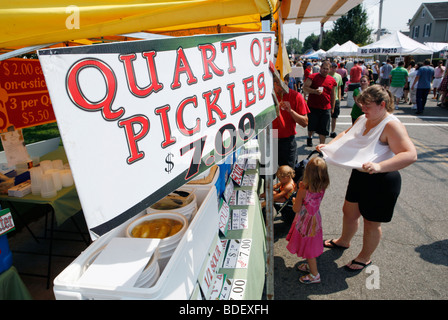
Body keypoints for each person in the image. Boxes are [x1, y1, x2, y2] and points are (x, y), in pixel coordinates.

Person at [317, 85, 417, 271]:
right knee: (349, 212)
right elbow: (346, 135)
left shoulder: (391, 125)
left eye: (367, 105)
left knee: (371, 222)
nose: (363, 108)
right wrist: (328, 146)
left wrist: (379, 166)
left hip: (382, 179)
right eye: (361, 104)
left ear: (383, 104)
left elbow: (410, 155)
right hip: (361, 174)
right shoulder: (364, 118)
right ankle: (344, 241)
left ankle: (364, 257)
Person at [286, 156, 330, 284]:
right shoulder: (323, 186)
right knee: (311, 243)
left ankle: (315, 275)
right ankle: (311, 266)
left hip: (304, 221)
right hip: (315, 218)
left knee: (308, 249)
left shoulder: (303, 190)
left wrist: (295, 200)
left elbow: (296, 208)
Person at [272, 74, 309, 169]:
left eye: (280, 83)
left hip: (287, 142)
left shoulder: (296, 96)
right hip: (269, 140)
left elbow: (305, 123)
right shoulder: (267, 96)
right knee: (267, 175)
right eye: (275, 83)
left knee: (288, 176)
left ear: (287, 81)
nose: (278, 86)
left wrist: (291, 111)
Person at [302, 61, 337, 147]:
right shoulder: (313, 77)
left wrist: (332, 108)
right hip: (313, 107)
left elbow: (333, 95)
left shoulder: (331, 80)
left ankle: (321, 146)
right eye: (324, 68)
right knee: (311, 126)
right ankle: (309, 137)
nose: (325, 70)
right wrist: (314, 91)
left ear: (329, 70)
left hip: (326, 108)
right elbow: (305, 88)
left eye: (327, 69)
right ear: (320, 68)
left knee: (324, 129)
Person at [329, 62, 343, 138]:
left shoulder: (338, 76)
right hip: (328, 98)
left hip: (336, 98)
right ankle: (326, 129)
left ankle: (332, 131)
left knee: (334, 116)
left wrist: (339, 96)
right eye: (332, 67)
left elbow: (339, 87)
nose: (333, 68)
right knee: (327, 116)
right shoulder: (327, 75)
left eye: (335, 67)